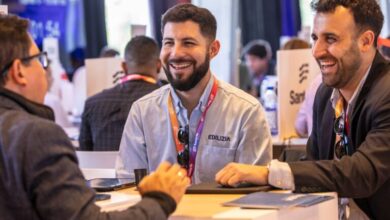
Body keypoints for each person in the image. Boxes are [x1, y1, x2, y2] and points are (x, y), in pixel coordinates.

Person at [0, 14, 189, 219]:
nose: (44, 69)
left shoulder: (91, 104)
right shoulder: (36, 136)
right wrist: (160, 200)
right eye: (39, 60)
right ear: (19, 71)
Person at [216, 0, 389, 219]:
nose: (316, 51)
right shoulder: (326, 94)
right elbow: (315, 166)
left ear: (365, 41)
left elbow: (362, 173)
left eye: (331, 39)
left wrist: (270, 173)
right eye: (315, 38)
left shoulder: (386, 93)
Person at [116, 3, 272, 183]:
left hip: (222, 211)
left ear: (213, 50)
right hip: (160, 211)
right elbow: (127, 185)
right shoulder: (142, 112)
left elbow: (255, 191)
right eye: (169, 43)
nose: (175, 53)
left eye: (188, 43)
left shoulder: (245, 112)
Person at [79, 36, 161, 151]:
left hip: (103, 169)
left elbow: (85, 154)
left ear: (124, 67)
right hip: (154, 170)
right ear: (159, 65)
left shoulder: (92, 104)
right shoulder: (168, 101)